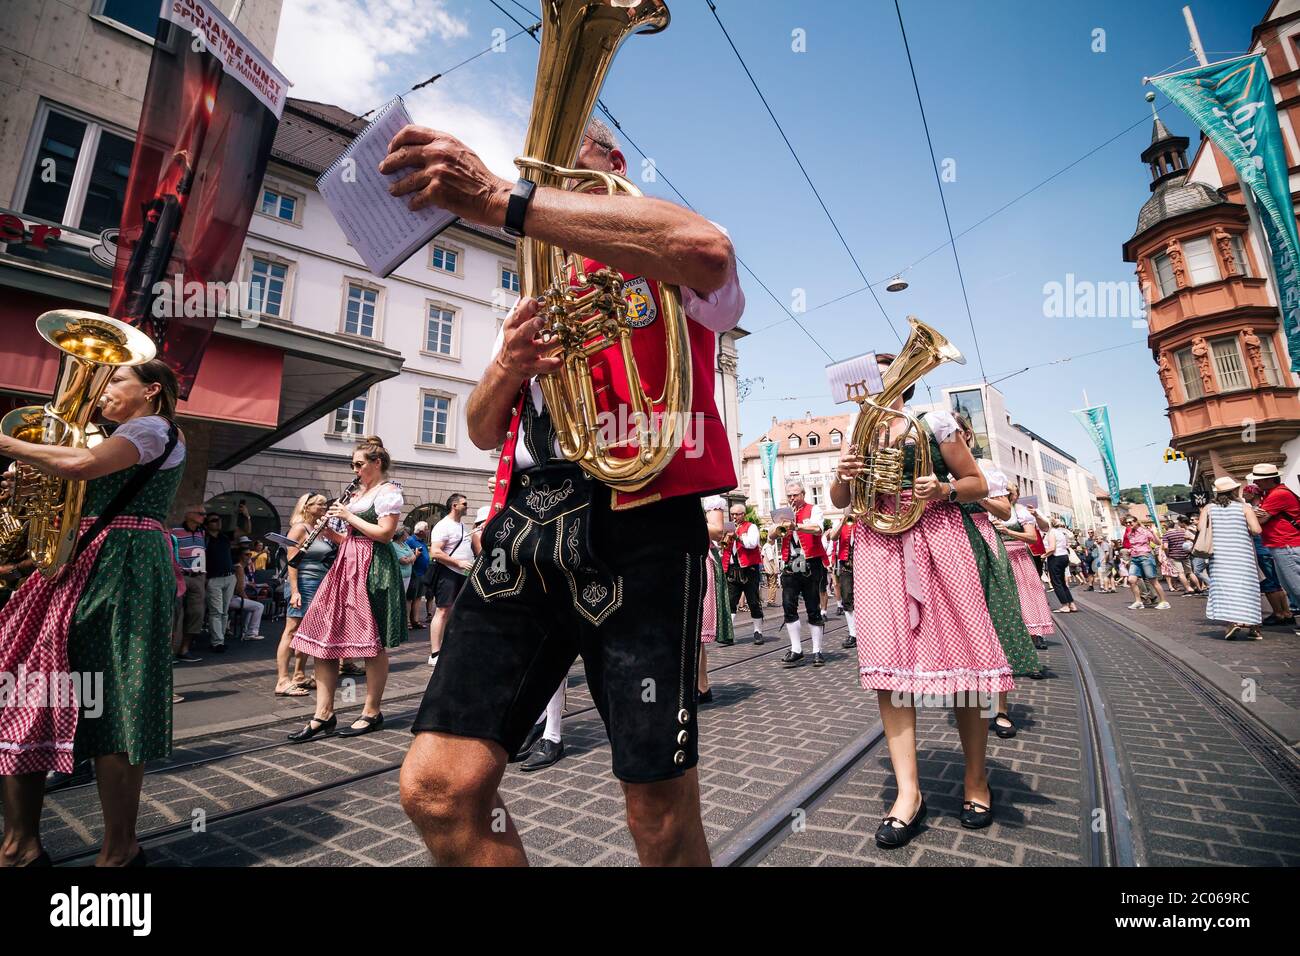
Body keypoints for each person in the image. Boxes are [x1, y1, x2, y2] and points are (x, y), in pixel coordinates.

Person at [394, 115, 743, 867]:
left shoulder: (664, 241)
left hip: (641, 521)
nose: (536, 166)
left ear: (612, 160)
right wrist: (509, 365)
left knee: (656, 814)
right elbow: (484, 428)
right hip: (527, 521)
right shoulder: (539, 280)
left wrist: (499, 197)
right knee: (438, 789)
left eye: (561, 152)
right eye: (530, 161)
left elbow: (709, 254)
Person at [0, 359, 184, 867]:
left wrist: (12, 445)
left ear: (150, 390)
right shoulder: (105, 435)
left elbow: (80, 469)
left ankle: (118, 848)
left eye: (114, 381)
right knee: (26, 691)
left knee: (115, 699)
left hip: (122, 562)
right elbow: (71, 486)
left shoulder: (152, 428)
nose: (101, 391)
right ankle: (20, 845)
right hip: (74, 561)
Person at [830, 353, 1011, 848]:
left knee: (964, 663)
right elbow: (841, 501)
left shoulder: (936, 421)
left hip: (937, 540)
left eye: (876, 380)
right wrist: (844, 474)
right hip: (878, 548)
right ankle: (909, 793)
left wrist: (944, 489)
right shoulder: (858, 430)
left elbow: (975, 483)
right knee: (890, 673)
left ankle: (976, 779)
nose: (865, 389)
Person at [288, 437, 405, 741]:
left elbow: (385, 534)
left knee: (371, 642)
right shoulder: (359, 493)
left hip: (373, 567)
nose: (354, 470)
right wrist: (327, 530)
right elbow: (350, 539)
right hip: (346, 565)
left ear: (376, 464)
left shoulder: (388, 491)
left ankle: (371, 711)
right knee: (324, 636)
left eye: (359, 464)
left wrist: (348, 516)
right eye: (352, 464)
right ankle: (323, 714)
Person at [952, 415, 1041, 740]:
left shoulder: (984, 465)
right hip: (950, 543)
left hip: (983, 541)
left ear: (968, 435)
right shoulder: (935, 467)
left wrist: (970, 492)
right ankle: (969, 693)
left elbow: (1004, 511)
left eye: (956, 433)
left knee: (998, 618)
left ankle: (1000, 707)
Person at [274, 493, 328, 697]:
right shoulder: (299, 529)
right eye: (320, 504)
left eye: (325, 504)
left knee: (307, 631)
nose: (324, 507)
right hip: (303, 584)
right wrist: (295, 591)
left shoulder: (319, 529)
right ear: (307, 506)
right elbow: (292, 562)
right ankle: (282, 680)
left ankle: (298, 675)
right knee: (292, 629)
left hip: (318, 584)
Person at [769, 481, 828, 668]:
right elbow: (771, 536)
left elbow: (818, 529)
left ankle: (817, 650)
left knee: (813, 606)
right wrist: (776, 529)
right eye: (789, 495)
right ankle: (796, 649)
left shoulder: (814, 509)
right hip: (790, 563)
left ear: (803, 494)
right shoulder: (783, 514)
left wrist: (796, 526)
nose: (792, 498)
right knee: (788, 606)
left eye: (795, 494)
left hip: (811, 562)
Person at [1199, 476, 1264, 640]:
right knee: (1247, 588)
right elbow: (1256, 530)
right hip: (1243, 554)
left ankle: (1232, 622)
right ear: (1234, 491)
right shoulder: (1244, 507)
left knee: (1226, 589)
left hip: (1220, 555)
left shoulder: (1208, 508)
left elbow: (1201, 528)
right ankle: (1254, 627)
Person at [992, 482, 1054, 653]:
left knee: (1026, 595)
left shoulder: (1020, 511)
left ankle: (1035, 633)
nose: (1003, 495)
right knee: (1006, 597)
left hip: (1018, 557)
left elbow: (1032, 537)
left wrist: (1007, 531)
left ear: (1014, 494)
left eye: (1007, 492)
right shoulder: (991, 510)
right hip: (997, 556)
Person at [426, 493, 472, 670]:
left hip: (461, 573)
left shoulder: (461, 525)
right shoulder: (443, 525)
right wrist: (459, 562)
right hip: (448, 572)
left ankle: (446, 648)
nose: (467, 506)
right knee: (443, 610)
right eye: (464, 503)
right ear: (454, 505)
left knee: (452, 611)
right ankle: (435, 653)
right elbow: (435, 552)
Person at [1248, 463, 1300, 616]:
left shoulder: (1277, 494)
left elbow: (1261, 520)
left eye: (1258, 480)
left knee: (1295, 585)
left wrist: (1251, 514)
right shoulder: (1274, 493)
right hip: (1283, 544)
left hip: (1286, 544)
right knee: (1290, 586)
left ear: (1269, 479)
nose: (1255, 483)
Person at [1241, 483, 1296, 627]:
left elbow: (1255, 528)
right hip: (1271, 547)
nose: (1243, 496)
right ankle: (1287, 612)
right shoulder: (1263, 506)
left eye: (1245, 493)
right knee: (1277, 583)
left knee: (1268, 583)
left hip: (1262, 548)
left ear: (1252, 494)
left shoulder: (1253, 510)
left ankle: (1278, 613)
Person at [698, 496, 732, 702]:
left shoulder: (709, 497)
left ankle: (700, 686)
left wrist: (682, 517)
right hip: (670, 560)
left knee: (695, 631)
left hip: (698, 559)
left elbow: (718, 532)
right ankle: (697, 685)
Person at [723, 501, 765, 645]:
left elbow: (752, 543)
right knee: (731, 602)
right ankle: (729, 633)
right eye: (732, 514)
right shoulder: (729, 529)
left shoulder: (751, 527)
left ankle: (758, 631)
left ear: (744, 514)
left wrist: (738, 537)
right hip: (733, 570)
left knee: (753, 602)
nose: (734, 517)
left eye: (737, 514)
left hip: (749, 570)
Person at [170, 504, 206, 663]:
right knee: (175, 613)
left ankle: (184, 649)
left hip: (198, 577)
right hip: (180, 576)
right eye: (200, 514)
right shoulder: (174, 532)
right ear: (189, 515)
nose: (203, 516)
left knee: (196, 614)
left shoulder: (201, 533)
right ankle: (170, 651)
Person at [1121, 516, 1170, 610]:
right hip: (1135, 558)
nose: (1128, 524)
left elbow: (1158, 542)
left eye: (1130, 522)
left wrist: (1153, 533)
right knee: (1131, 580)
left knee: (1152, 580)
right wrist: (1130, 550)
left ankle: (1164, 602)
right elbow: (1134, 545)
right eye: (1126, 523)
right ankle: (1138, 602)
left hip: (1145, 557)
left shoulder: (1144, 531)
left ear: (1136, 522)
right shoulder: (1129, 533)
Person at [228, 543, 265, 640]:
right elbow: (239, 589)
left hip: (233, 597)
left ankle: (246, 632)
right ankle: (251, 633)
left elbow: (243, 582)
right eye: (246, 554)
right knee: (259, 606)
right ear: (240, 556)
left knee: (252, 606)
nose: (249, 556)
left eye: (250, 554)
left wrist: (254, 584)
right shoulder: (239, 568)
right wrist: (246, 598)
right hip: (231, 598)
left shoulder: (241, 568)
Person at [831, 513, 857, 648]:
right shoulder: (840, 522)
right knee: (847, 597)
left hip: (864, 564)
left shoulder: (864, 521)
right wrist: (842, 522)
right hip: (846, 565)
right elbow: (832, 537)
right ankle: (853, 634)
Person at [1044, 519, 1080, 613]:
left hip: (1055, 557)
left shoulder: (1051, 532)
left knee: (1056, 582)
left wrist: (1042, 556)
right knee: (1062, 583)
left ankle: (1065, 605)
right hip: (1064, 557)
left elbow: (1052, 548)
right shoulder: (1061, 533)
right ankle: (1071, 604)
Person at [1162, 516, 1203, 595]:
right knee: (1190, 572)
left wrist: (1167, 555)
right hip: (1185, 554)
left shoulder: (1166, 535)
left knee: (1180, 573)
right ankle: (1199, 588)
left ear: (1166, 526)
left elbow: (1166, 547)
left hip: (1174, 556)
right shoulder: (1182, 532)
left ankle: (1188, 588)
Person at [406, 521, 431, 629]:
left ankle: (415, 620)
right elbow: (407, 554)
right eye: (426, 529)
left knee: (418, 597)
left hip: (422, 573)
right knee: (410, 597)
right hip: (414, 573)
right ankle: (407, 621)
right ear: (421, 531)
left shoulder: (422, 542)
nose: (428, 531)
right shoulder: (411, 541)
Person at [761, 531, 780, 608]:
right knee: (773, 585)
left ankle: (770, 600)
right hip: (770, 569)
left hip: (767, 568)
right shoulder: (768, 547)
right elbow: (771, 559)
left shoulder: (765, 546)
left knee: (770, 585)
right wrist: (775, 568)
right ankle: (771, 601)